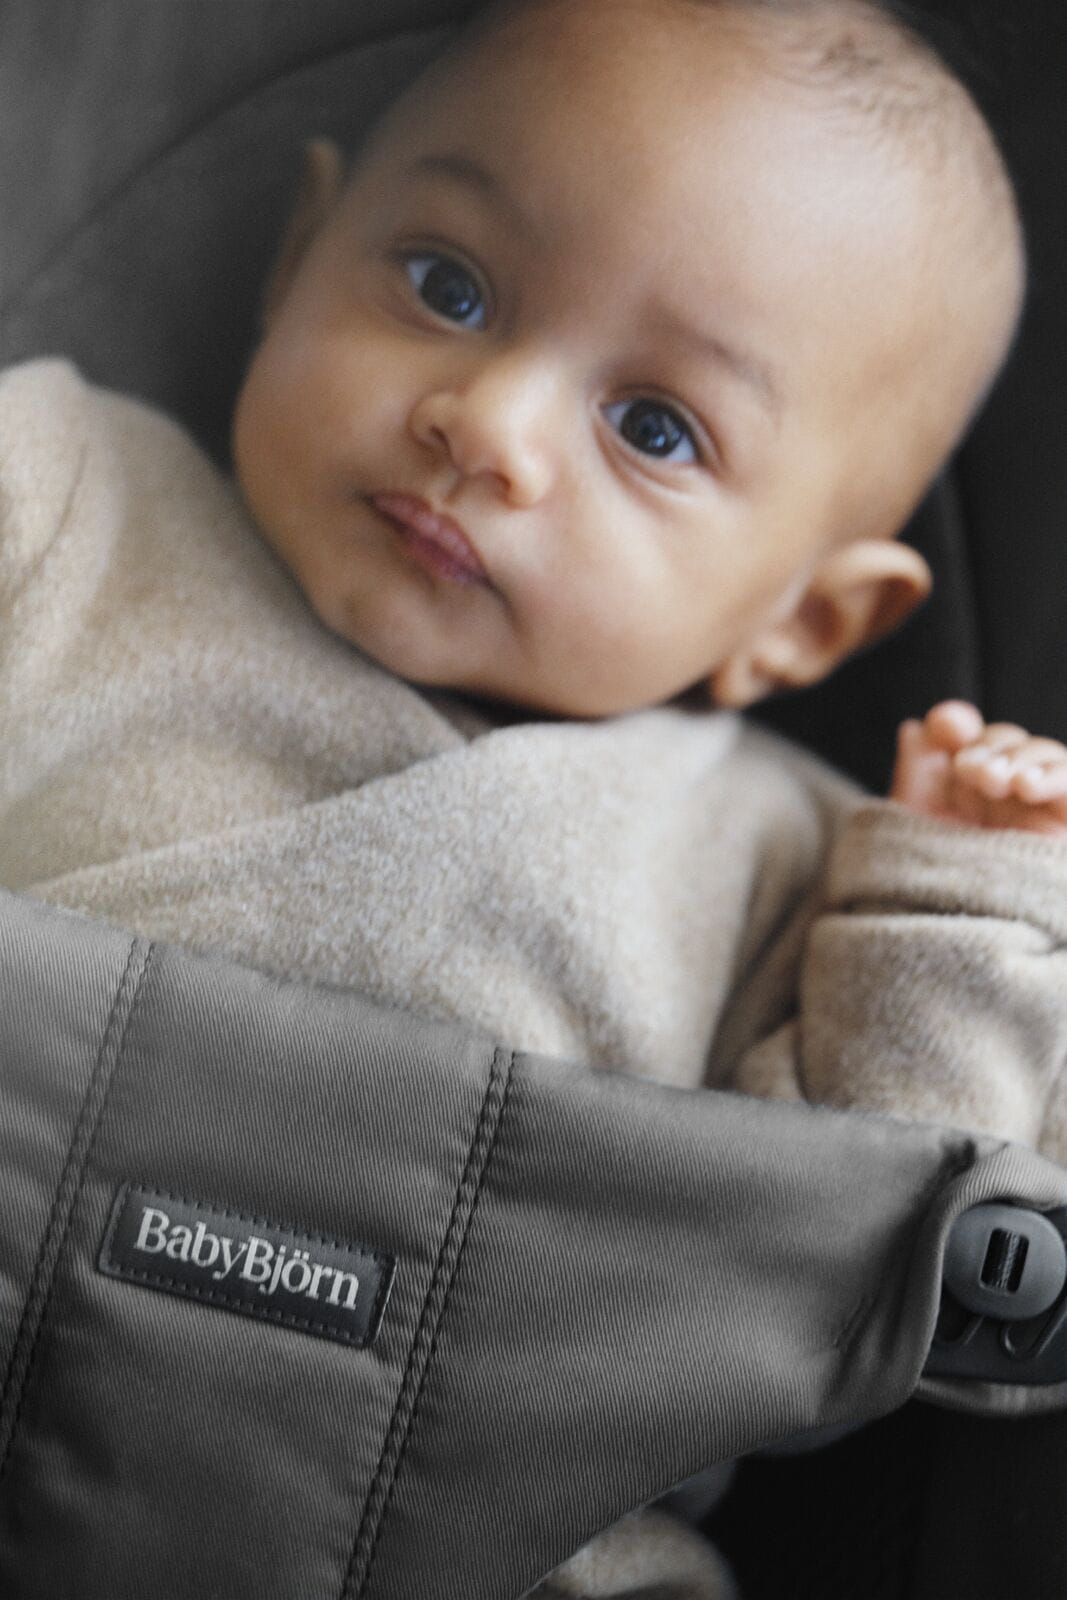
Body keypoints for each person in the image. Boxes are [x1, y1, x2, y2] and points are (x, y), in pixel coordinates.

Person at [4, 1, 1067, 1592]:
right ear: (299, 255)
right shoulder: (61, 493)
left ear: (804, 622)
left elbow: (857, 1278)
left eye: (655, 428)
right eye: (447, 285)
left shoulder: (793, 868)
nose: (486, 424)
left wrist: (952, 926)